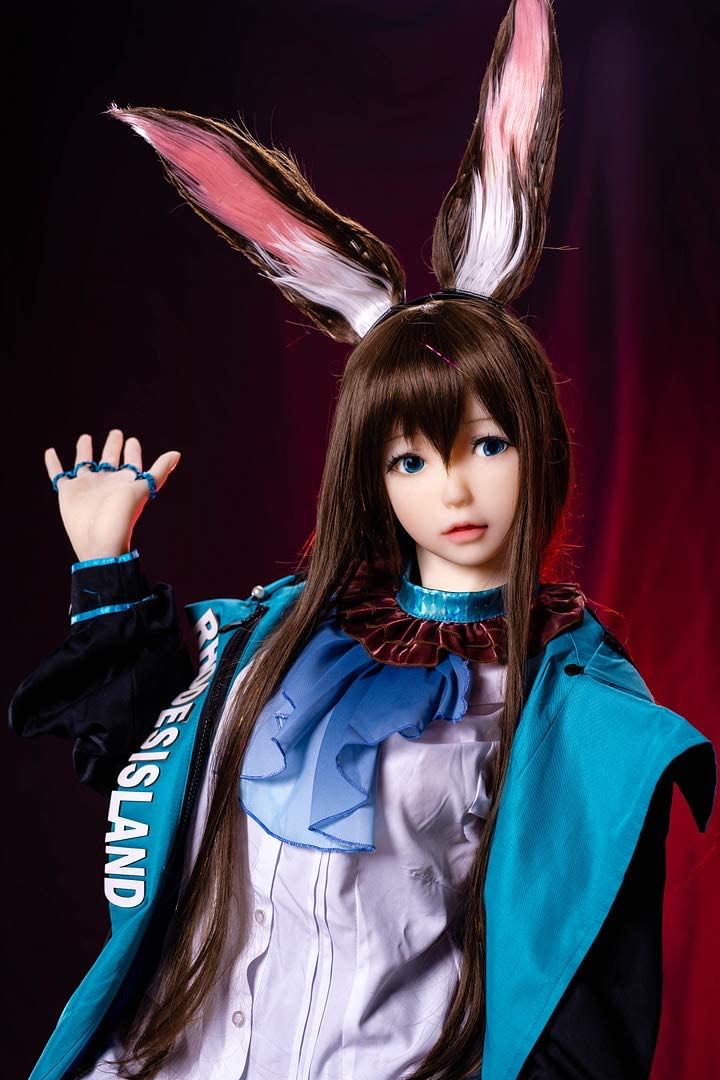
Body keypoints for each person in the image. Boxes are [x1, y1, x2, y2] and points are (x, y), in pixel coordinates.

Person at [9, 1, 716, 1078]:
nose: (454, 490)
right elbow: (140, 797)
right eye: (410, 461)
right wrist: (105, 571)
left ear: (537, 445)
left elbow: (581, 1008)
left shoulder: (576, 721)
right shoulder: (269, 643)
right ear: (371, 480)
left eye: (485, 445)